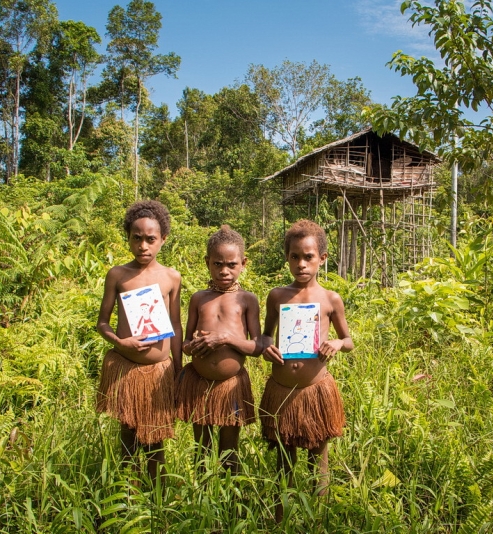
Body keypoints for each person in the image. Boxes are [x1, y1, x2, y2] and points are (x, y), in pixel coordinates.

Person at [260, 219, 354, 521]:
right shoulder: (277, 296)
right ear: (287, 257)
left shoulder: (330, 299)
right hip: (282, 390)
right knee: (284, 458)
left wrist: (337, 344)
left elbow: (349, 340)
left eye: (309, 257)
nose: (301, 264)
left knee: (318, 457)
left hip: (316, 391)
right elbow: (265, 335)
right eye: (295, 257)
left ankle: (318, 518)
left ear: (322, 259)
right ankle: (280, 518)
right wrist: (266, 348)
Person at [96, 200, 182, 487]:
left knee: (157, 440)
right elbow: (102, 323)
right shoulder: (118, 275)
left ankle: (157, 501)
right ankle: (126, 498)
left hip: (160, 372)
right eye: (137, 238)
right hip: (128, 369)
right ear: (128, 238)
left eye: (151, 239)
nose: (143, 246)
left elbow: (175, 326)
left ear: (163, 240)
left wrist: (179, 369)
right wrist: (121, 343)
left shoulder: (171, 277)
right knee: (128, 436)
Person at [177, 225, 261, 473]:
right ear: (207, 263)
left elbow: (256, 346)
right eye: (217, 264)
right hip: (199, 384)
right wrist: (194, 346)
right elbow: (184, 345)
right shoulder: (198, 298)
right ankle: (201, 502)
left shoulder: (247, 299)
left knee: (229, 451)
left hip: (231, 386)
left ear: (243, 263)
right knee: (201, 450)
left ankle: (230, 505)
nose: (224, 271)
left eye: (231, 265)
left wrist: (225, 338)